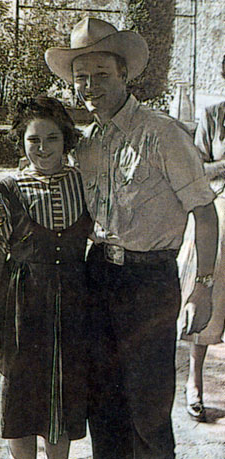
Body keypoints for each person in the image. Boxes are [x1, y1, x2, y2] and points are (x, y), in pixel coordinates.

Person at [45, 17, 219, 458]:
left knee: (148, 411)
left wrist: (202, 288)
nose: (91, 86)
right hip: (98, 277)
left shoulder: (162, 134)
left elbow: (204, 211)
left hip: (150, 284)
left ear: (124, 74)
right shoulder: (86, 144)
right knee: (103, 406)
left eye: (101, 75)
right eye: (82, 78)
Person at [0, 96, 93, 459]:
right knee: (19, 399)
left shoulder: (86, 185)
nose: (43, 148)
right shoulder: (7, 191)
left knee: (60, 401)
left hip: (72, 308)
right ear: (22, 142)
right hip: (21, 309)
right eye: (33, 140)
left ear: (66, 140)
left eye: (51, 138)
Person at [178, 56, 225, 421]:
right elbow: (197, 169)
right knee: (207, 293)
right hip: (219, 214)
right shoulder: (213, 116)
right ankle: (194, 383)